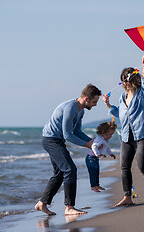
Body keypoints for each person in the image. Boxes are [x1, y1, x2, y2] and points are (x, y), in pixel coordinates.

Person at [103, 52, 144, 206]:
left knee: (142, 165)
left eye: (127, 79)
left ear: (132, 79)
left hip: (142, 135)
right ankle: (127, 197)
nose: (125, 82)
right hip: (126, 137)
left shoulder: (142, 94)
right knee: (124, 167)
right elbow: (121, 115)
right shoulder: (122, 98)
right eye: (123, 80)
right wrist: (109, 105)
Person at [35, 84, 102, 215]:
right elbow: (68, 134)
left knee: (59, 174)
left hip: (56, 140)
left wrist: (91, 141)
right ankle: (69, 207)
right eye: (94, 102)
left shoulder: (81, 110)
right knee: (70, 169)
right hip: (51, 139)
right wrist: (87, 145)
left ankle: (41, 204)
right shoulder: (71, 107)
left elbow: (76, 131)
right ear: (86, 98)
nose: (95, 105)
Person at [86, 121, 117, 192]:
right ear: (103, 133)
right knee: (93, 172)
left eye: (112, 134)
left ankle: (97, 185)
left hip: (95, 158)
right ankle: (93, 186)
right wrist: (98, 154)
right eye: (109, 134)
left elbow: (107, 148)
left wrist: (111, 154)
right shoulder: (99, 139)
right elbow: (94, 146)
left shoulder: (105, 140)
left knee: (97, 172)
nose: (111, 136)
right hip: (91, 158)